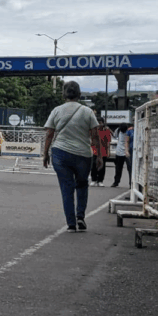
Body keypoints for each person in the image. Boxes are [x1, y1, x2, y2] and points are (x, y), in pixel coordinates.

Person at [43, 81, 101, 232]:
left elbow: (49, 134)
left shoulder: (56, 110)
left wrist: (45, 154)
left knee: (66, 188)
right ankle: (80, 216)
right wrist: (100, 156)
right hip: (83, 155)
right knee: (82, 184)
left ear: (64, 94)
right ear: (79, 94)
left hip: (60, 153)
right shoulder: (87, 111)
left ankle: (71, 224)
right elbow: (95, 135)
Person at [90, 118, 112, 186]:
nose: (99, 124)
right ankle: (93, 179)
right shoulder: (93, 130)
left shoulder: (106, 130)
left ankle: (100, 180)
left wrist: (108, 151)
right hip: (95, 150)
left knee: (102, 166)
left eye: (100, 122)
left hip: (103, 151)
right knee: (94, 165)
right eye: (98, 122)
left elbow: (108, 142)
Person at [111, 123, 131, 188]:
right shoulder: (118, 130)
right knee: (118, 168)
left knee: (129, 168)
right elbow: (114, 136)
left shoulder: (128, 131)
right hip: (119, 152)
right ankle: (116, 182)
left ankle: (131, 183)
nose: (123, 131)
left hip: (127, 151)